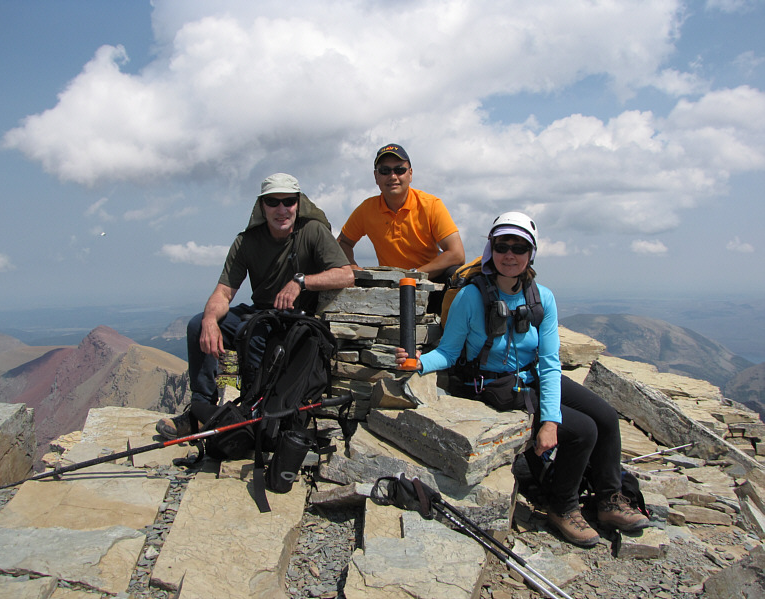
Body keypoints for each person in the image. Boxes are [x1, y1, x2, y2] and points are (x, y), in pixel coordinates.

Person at [395, 212, 650, 547]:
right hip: (491, 386)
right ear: (491, 249)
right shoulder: (471, 297)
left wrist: (549, 418)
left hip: (529, 377)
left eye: (519, 247)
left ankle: (608, 498)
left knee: (604, 416)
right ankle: (563, 506)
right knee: (582, 430)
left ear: (532, 253)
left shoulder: (542, 297)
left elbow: (549, 361)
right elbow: (450, 352)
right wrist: (417, 363)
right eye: (502, 246)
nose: (510, 254)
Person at [157, 173, 354, 439]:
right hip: (260, 312)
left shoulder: (312, 231)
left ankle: (250, 417)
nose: (282, 209)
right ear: (262, 206)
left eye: (288, 201)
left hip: (296, 320)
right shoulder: (247, 241)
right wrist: (209, 321)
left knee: (255, 333)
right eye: (273, 202)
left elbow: (346, 274)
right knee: (196, 326)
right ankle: (200, 411)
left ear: (298, 203)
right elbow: (224, 292)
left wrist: (301, 282)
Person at [337, 143, 465, 286]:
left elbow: (457, 254)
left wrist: (413, 276)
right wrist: (353, 268)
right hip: (390, 284)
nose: (393, 176)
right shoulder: (366, 209)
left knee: (456, 274)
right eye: (385, 171)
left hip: (429, 280)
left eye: (399, 170)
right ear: (376, 176)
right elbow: (343, 243)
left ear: (410, 174)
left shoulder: (431, 204)